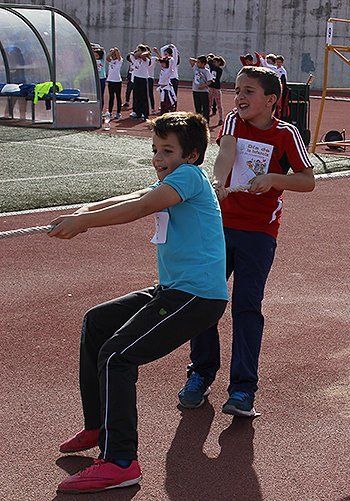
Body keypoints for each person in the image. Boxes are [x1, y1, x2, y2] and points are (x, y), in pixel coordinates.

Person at [52, 112, 228, 494]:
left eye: (168, 150)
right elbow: (134, 197)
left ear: (193, 154)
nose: (158, 157)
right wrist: (86, 209)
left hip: (196, 296)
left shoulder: (189, 178)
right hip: (173, 290)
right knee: (97, 321)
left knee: (118, 355)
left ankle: (120, 461)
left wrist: (85, 223)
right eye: (155, 149)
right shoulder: (172, 179)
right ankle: (100, 426)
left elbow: (140, 208)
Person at [177, 66, 315, 417]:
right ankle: (201, 373)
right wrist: (218, 181)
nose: (239, 97)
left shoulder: (287, 134)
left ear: (271, 99)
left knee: (246, 306)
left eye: (248, 91)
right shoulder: (235, 123)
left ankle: (242, 389)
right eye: (237, 89)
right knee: (205, 299)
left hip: (259, 234)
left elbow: (307, 180)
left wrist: (273, 178)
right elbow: (225, 152)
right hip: (219, 229)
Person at [189, 55, 213, 121]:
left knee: (205, 108)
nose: (197, 63)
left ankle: (206, 122)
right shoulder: (196, 68)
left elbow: (210, 81)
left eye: (199, 62)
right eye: (197, 62)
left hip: (203, 92)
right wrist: (197, 61)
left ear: (203, 64)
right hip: (195, 91)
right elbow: (190, 59)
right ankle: (198, 122)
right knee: (197, 108)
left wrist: (203, 85)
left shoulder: (206, 71)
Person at [105, 47, 123, 119]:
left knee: (118, 97)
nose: (112, 55)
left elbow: (119, 56)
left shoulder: (119, 60)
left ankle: (118, 112)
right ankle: (109, 112)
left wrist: (116, 51)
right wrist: (111, 52)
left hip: (117, 81)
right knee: (111, 97)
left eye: (113, 54)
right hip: (110, 81)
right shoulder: (110, 61)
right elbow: (107, 58)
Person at [208, 55, 225, 124]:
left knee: (219, 104)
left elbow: (210, 63)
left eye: (215, 62)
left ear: (219, 63)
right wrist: (211, 59)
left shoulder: (219, 70)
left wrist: (211, 60)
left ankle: (221, 119)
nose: (214, 63)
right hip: (210, 87)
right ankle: (206, 117)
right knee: (209, 103)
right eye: (214, 62)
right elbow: (209, 62)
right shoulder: (212, 67)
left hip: (216, 88)